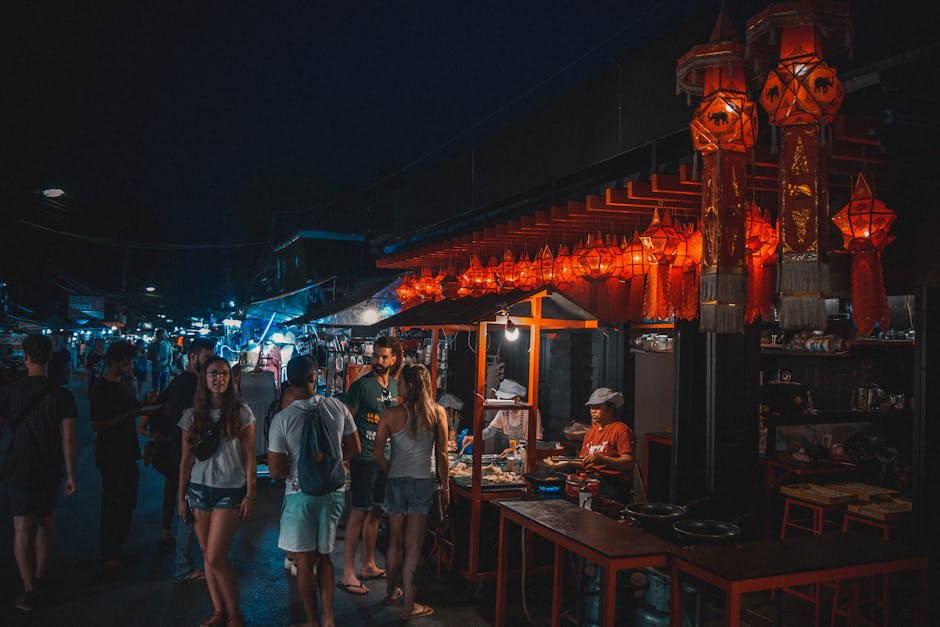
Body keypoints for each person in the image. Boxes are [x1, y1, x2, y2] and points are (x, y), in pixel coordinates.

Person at [268, 356, 360, 627]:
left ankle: (312, 621)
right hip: (334, 493)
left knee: (305, 564)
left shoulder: (282, 419)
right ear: (314, 377)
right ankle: (329, 618)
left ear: (289, 381)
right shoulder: (337, 407)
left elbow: (275, 469)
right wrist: (329, 463)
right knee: (326, 557)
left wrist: (302, 466)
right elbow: (353, 449)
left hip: (300, 496)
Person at [0, 334, 78, 611]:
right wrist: (71, 474)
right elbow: (69, 438)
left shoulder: (9, 392)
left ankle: (29, 587)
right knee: (46, 520)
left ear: (26, 358)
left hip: (18, 466)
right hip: (49, 466)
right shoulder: (62, 394)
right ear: (49, 358)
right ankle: (42, 575)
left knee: (21, 527)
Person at [178, 357, 256, 627]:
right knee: (205, 551)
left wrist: (250, 494)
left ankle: (236, 614)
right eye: (213, 374)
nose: (219, 378)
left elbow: (249, 458)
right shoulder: (191, 415)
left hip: (230, 491)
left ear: (230, 379)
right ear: (204, 378)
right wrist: (180, 497)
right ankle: (219, 612)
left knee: (214, 555)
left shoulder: (242, 413)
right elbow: (186, 461)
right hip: (199, 490)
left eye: (224, 374)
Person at [373, 363, 448, 619]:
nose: (399, 386)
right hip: (422, 483)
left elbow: (377, 455)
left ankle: (391, 592)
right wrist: (446, 488)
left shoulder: (390, 415)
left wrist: (391, 469)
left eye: (402, 383)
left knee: (394, 542)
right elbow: (443, 456)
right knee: (413, 545)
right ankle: (408, 607)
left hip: (396, 481)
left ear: (411, 385)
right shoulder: (437, 413)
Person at [340, 335, 401, 594]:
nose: (378, 361)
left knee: (376, 512)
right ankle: (348, 572)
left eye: (384, 357)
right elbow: (345, 422)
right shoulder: (360, 386)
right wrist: (345, 456)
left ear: (393, 359)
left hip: (385, 459)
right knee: (358, 513)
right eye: (376, 356)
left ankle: (367, 564)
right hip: (364, 458)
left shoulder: (396, 386)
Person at [89, 341, 147, 573]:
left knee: (128, 500)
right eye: (126, 362)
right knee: (113, 501)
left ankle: (119, 546)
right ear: (113, 361)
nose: (130, 366)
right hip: (110, 452)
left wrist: (144, 401)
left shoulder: (126, 382)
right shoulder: (100, 388)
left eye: (131, 362)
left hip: (129, 450)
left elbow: (134, 407)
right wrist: (128, 414)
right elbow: (96, 424)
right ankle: (109, 553)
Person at [163, 337, 215, 582]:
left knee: (189, 507)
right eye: (205, 359)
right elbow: (189, 424)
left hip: (187, 453)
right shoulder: (188, 384)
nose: (208, 365)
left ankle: (187, 560)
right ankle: (184, 565)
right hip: (187, 454)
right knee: (188, 510)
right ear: (193, 357)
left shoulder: (185, 382)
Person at [576, 387, 635, 503]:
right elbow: (584, 461)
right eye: (591, 407)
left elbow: (628, 463)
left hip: (612, 484)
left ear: (611, 408)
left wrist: (602, 458)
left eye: (597, 407)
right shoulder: (591, 432)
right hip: (591, 481)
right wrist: (564, 462)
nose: (593, 411)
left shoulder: (621, 430)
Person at [460, 379, 542, 454]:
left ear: (517, 398)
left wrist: (513, 450)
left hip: (527, 456)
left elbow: (536, 442)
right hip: (511, 456)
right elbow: (490, 431)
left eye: (507, 399)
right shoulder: (504, 410)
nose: (504, 402)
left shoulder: (531, 411)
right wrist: (473, 438)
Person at [149, 329, 173, 394]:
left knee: (164, 387)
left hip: (165, 369)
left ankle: (161, 400)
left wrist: (169, 366)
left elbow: (170, 356)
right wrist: (154, 359)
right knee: (155, 386)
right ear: (158, 335)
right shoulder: (152, 345)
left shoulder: (168, 344)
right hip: (156, 368)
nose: (164, 336)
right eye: (162, 334)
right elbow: (149, 356)